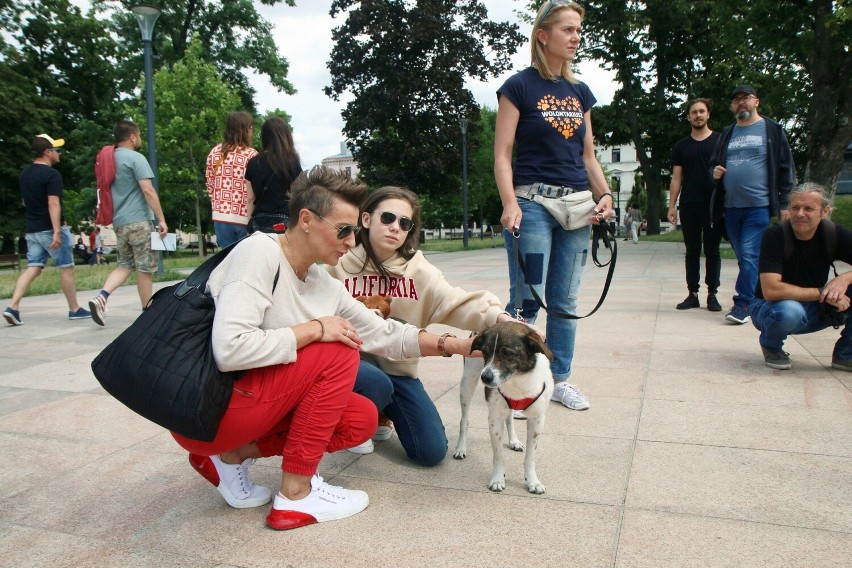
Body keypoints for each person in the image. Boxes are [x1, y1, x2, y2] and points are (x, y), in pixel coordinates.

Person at [171, 166, 476, 531]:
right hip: (208, 410)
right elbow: (230, 349)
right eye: (344, 230)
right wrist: (315, 329)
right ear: (306, 219)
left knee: (360, 418)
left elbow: (386, 334)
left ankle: (231, 456)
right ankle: (296, 495)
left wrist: (458, 345)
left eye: (354, 232)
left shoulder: (321, 282)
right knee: (337, 348)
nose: (351, 241)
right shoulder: (259, 252)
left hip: (250, 407)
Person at [326, 186, 520, 463]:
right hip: (350, 368)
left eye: (404, 223)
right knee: (374, 381)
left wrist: (501, 318)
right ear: (366, 219)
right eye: (388, 218)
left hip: (397, 368)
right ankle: (356, 420)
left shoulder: (419, 270)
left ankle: (382, 416)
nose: (395, 227)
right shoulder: (339, 262)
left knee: (430, 452)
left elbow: (455, 300)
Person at [494, 0, 613, 412]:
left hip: (577, 207)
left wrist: (606, 196)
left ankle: (559, 379)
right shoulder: (518, 87)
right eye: (567, 29)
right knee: (526, 298)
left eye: (579, 30)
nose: (576, 37)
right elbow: (503, 154)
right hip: (533, 204)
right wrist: (510, 202)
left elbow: (588, 157)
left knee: (565, 300)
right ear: (543, 35)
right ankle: (508, 375)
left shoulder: (580, 92)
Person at [710, 85, 796, 324]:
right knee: (744, 257)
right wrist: (714, 171)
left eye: (746, 98)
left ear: (756, 101)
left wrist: (785, 203)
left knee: (749, 255)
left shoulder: (771, 129)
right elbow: (713, 165)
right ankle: (759, 296)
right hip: (730, 207)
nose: (741, 103)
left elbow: (786, 168)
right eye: (736, 100)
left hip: (758, 206)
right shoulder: (728, 133)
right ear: (732, 106)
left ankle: (743, 304)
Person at [749, 183, 851, 371]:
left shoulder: (833, 233)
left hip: (814, 309)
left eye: (809, 208)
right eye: (795, 207)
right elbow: (771, 290)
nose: (800, 213)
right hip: (770, 308)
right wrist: (824, 293)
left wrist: (844, 279)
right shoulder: (776, 235)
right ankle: (772, 347)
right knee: (790, 310)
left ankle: (845, 354)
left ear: (825, 211)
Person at [2, 134, 90, 326]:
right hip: (50, 229)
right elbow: (53, 203)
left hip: (32, 229)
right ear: (47, 152)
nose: (59, 153)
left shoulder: (25, 174)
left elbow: (25, 201)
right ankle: (74, 309)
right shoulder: (51, 175)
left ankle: (13, 307)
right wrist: (57, 231)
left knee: (33, 267)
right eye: (56, 150)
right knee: (66, 268)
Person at [87, 120, 168, 326]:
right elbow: (148, 190)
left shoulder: (108, 160)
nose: (140, 139)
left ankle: (102, 297)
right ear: (132, 137)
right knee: (145, 268)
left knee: (124, 265)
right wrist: (161, 219)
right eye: (139, 135)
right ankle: (146, 314)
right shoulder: (136, 158)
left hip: (119, 222)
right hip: (139, 220)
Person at [668, 98, 723, 312]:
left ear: (708, 114)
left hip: (713, 205)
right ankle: (693, 293)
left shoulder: (720, 141)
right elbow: (676, 178)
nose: (698, 115)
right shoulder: (682, 146)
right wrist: (672, 206)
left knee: (712, 250)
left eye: (702, 111)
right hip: (689, 204)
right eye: (694, 112)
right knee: (692, 250)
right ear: (689, 117)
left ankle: (712, 294)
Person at [205, 111, 258, 248]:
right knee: (245, 261)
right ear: (245, 129)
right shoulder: (251, 155)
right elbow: (254, 189)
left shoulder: (215, 153)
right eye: (250, 127)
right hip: (244, 217)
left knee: (226, 261)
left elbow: (210, 185)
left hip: (220, 216)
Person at [244, 116, 302, 234]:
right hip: (284, 219)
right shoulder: (292, 162)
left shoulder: (253, 162)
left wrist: (248, 223)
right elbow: (299, 194)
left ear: (264, 137)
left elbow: (250, 198)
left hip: (259, 221)